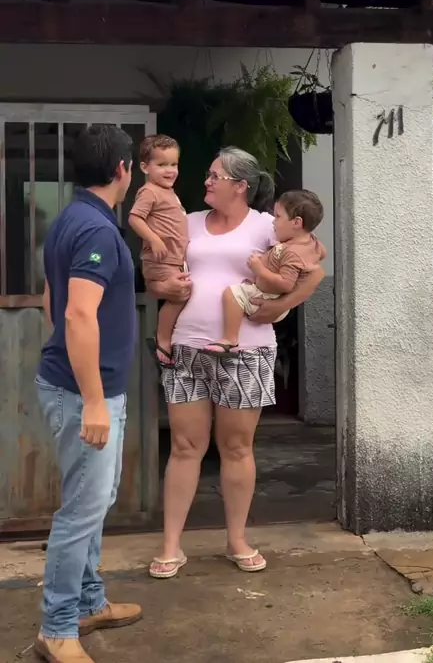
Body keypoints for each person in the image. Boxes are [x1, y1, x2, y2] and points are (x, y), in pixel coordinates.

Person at [147, 146, 325, 579]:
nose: (206, 181)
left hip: (245, 352)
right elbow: (159, 273)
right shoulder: (187, 222)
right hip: (187, 349)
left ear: (241, 186)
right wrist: (165, 287)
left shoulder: (268, 225)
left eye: (215, 176)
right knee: (185, 446)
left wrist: (280, 307)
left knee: (237, 448)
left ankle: (237, 540)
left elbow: (312, 272)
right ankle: (171, 546)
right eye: (208, 174)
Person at [34, 125, 142, 663]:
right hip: (84, 394)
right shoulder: (96, 229)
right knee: (81, 510)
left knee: (95, 500)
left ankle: (88, 602)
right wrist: (94, 398)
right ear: (123, 169)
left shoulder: (72, 218)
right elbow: (77, 314)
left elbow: (49, 300)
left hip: (83, 387)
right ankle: (57, 627)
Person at [205, 189, 324, 354]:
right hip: (266, 293)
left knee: (232, 294)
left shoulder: (293, 252)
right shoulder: (309, 242)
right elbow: (320, 254)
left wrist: (259, 269)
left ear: (297, 223)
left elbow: (286, 284)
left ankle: (230, 339)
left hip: (266, 297)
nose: (273, 222)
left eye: (278, 216)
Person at [128, 134, 188, 365]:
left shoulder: (168, 191)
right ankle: (162, 338)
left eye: (174, 164)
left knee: (181, 295)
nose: (170, 170)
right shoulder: (149, 191)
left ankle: (167, 336)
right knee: (180, 295)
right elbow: (135, 218)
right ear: (145, 167)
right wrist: (154, 239)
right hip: (160, 259)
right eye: (162, 165)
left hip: (172, 259)